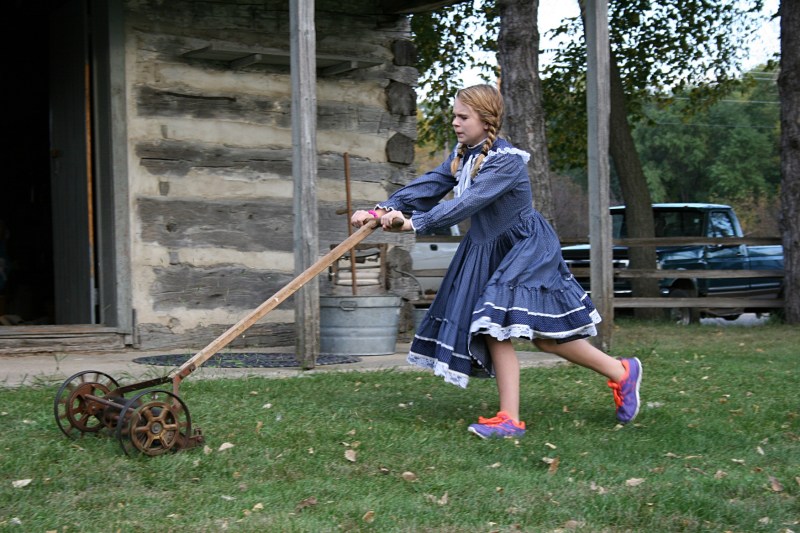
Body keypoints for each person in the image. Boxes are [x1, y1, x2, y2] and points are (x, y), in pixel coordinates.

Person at [351, 84, 641, 439]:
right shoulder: (462, 157)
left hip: (524, 249)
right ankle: (621, 373)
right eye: (454, 116)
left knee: (511, 330)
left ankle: (512, 418)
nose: (455, 123)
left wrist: (414, 223)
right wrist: (380, 210)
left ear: (486, 120)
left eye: (463, 117)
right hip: (489, 249)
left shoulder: (506, 161)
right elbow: (428, 186)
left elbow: (467, 203)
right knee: (535, 337)